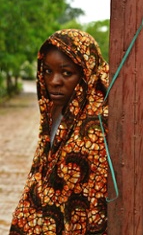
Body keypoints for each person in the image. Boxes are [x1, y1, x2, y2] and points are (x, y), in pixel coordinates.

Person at [9, 29, 109, 235]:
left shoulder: (98, 126)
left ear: (86, 74)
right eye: (47, 71)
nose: (54, 81)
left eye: (66, 73)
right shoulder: (56, 114)